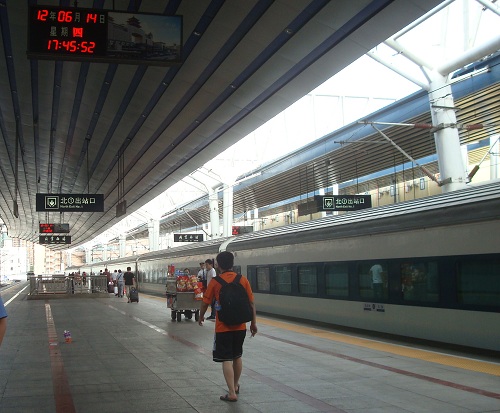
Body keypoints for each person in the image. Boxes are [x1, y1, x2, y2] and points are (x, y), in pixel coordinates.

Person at [198, 251, 257, 403]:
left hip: (223, 327)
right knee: (237, 356)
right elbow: (251, 303)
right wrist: (253, 323)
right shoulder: (242, 279)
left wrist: (200, 316)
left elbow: (205, 302)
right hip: (240, 326)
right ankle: (236, 385)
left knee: (226, 359)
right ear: (232, 263)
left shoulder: (216, 282)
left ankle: (231, 392)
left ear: (218, 265)